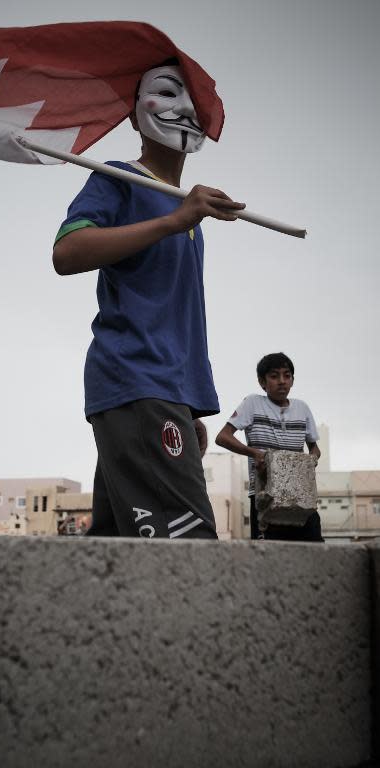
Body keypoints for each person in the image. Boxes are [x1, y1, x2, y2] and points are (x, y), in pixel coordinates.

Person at [53, 60, 244, 539]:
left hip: (160, 395)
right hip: (136, 381)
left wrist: (189, 407)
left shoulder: (191, 216)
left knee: (114, 556)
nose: (184, 108)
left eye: (194, 100)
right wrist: (173, 221)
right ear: (135, 116)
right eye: (166, 93)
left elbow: (178, 318)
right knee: (189, 548)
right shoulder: (119, 177)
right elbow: (67, 251)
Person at [215, 352, 322, 541]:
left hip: (300, 496)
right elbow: (223, 437)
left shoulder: (302, 408)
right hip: (265, 496)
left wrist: (311, 460)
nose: (282, 381)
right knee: (269, 556)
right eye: (274, 376)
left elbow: (314, 448)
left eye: (287, 375)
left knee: (313, 551)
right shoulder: (252, 403)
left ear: (292, 380)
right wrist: (254, 454)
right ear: (262, 382)